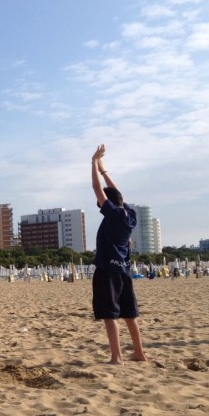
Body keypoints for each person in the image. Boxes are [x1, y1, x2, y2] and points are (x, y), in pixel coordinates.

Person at [90, 144, 146, 365]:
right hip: (123, 271)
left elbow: (98, 189)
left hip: (108, 271)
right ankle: (139, 353)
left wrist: (93, 162)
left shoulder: (113, 215)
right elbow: (116, 194)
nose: (100, 205)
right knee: (129, 314)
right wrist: (105, 171)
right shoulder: (130, 214)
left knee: (109, 314)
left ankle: (116, 357)